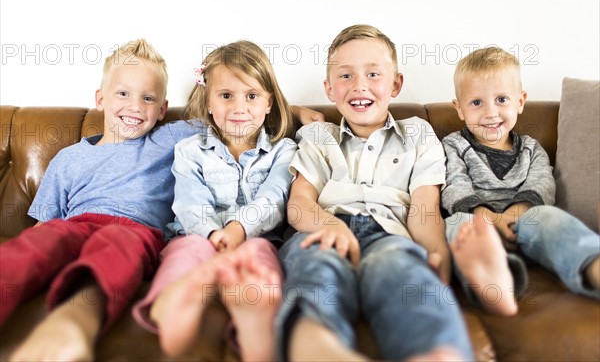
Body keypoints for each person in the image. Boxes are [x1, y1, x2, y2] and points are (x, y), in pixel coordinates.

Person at [1, 39, 321, 362]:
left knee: (116, 242)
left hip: (135, 231)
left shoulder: (171, 138)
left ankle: (76, 321)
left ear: (162, 109)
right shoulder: (67, 160)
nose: (136, 107)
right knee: (40, 243)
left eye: (148, 98)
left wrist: (293, 111)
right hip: (75, 225)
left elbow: (237, 116)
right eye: (123, 94)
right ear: (100, 98)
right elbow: (44, 228)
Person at [274, 24, 473, 361]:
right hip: (325, 230)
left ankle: (436, 351)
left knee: (405, 273)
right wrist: (330, 227)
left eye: (373, 74)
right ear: (329, 89)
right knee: (316, 270)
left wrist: (436, 250)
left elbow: (424, 206)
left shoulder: (418, 133)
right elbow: (299, 204)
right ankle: (318, 347)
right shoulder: (318, 136)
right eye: (346, 76)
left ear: (396, 84)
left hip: (390, 234)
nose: (359, 85)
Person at [132, 40, 297, 362]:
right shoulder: (190, 150)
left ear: (269, 104)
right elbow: (190, 201)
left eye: (251, 96)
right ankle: (175, 299)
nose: (239, 108)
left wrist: (237, 229)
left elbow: (274, 198)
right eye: (225, 96)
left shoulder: (284, 150)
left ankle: (254, 311)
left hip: (256, 236)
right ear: (208, 101)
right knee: (187, 251)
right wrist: (211, 234)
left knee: (259, 255)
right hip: (196, 234)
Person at [442, 46, 600, 317]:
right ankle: (493, 281)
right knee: (455, 224)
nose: (491, 113)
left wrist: (515, 214)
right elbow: (453, 185)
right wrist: (487, 218)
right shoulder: (453, 145)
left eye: (501, 99)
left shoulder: (531, 148)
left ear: (521, 101)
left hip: (525, 220)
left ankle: (593, 265)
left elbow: (542, 184)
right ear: (459, 108)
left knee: (550, 217)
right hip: (478, 224)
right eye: (477, 103)